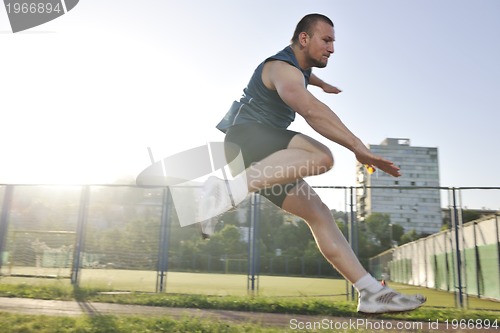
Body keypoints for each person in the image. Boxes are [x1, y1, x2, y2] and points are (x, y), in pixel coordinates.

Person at [196, 13, 426, 314]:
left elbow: (306, 76)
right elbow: (310, 110)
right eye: (326, 40)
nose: (332, 48)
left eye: (333, 42)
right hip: (247, 139)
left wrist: (322, 83)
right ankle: (225, 192)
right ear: (304, 39)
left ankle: (371, 293)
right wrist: (360, 149)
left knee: (319, 213)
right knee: (321, 157)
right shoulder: (281, 69)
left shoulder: (299, 69)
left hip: (263, 158)